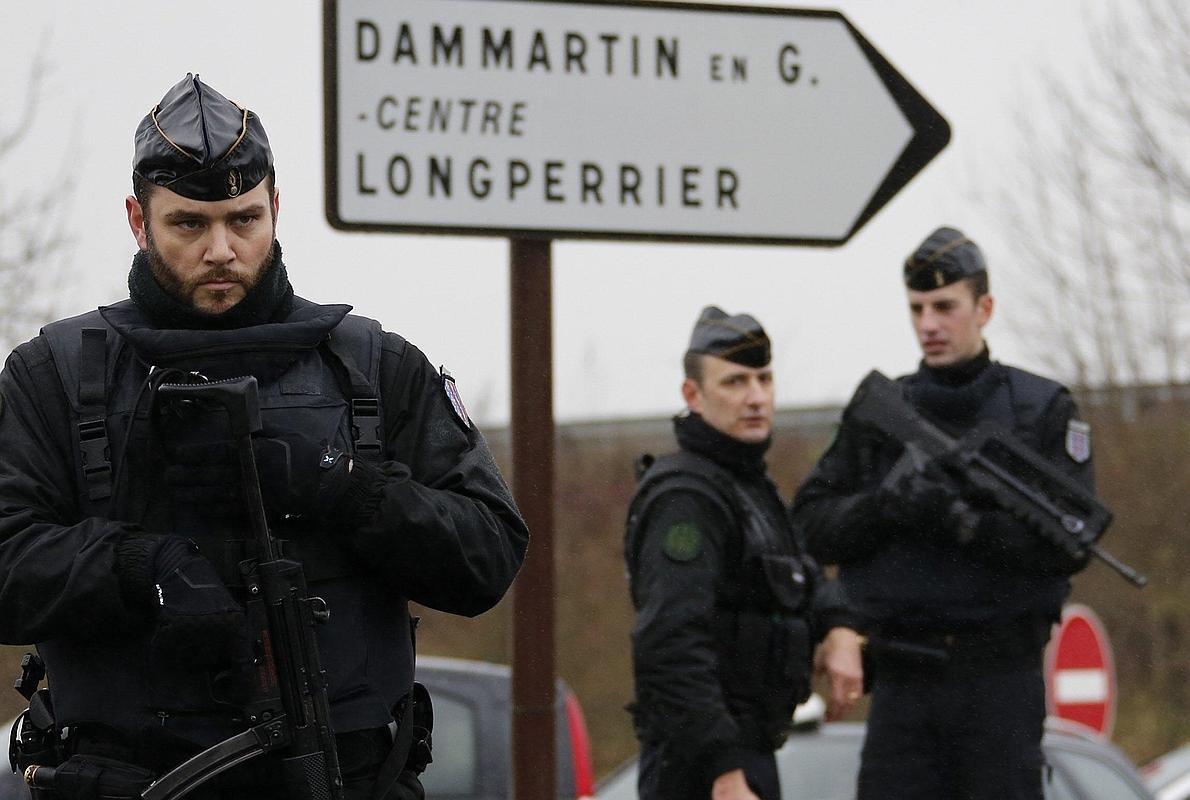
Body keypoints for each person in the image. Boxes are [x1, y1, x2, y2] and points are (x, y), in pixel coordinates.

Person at [0, 74, 528, 799]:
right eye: (190, 224)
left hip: (345, 777)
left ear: (276, 209)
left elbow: (489, 554)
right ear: (136, 218)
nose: (221, 249)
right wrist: (139, 567)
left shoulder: (372, 367)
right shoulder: (54, 378)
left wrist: (341, 485)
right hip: (129, 775)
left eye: (244, 220)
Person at [792, 226, 1096, 800]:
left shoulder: (1039, 412)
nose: (929, 324)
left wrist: (965, 523)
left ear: (984, 308)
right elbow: (809, 525)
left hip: (999, 682)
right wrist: (890, 507)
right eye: (917, 309)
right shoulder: (881, 416)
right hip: (905, 685)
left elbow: (1067, 544)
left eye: (945, 307)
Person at [625, 306, 863, 800]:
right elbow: (670, 646)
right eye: (734, 382)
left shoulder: (749, 486)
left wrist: (838, 628)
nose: (755, 397)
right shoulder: (687, 498)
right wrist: (723, 771)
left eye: (763, 379)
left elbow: (801, 575)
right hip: (700, 768)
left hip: (748, 750)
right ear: (693, 395)